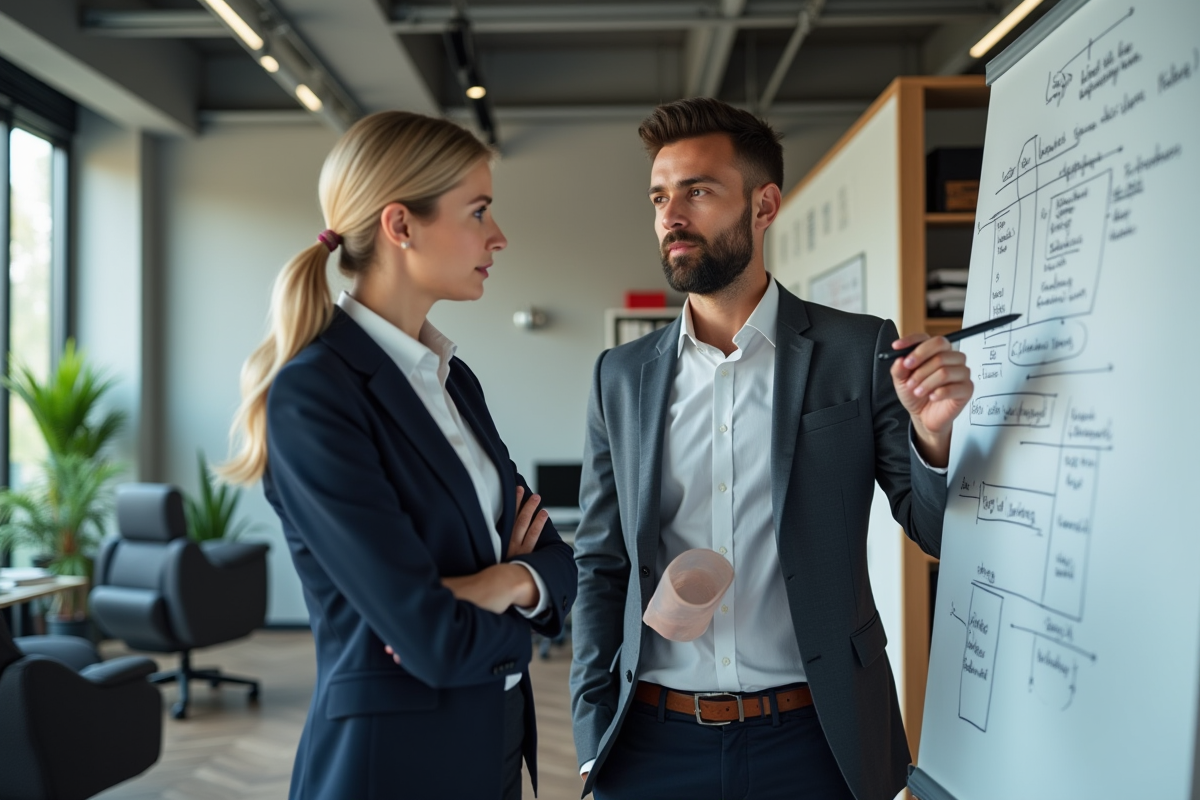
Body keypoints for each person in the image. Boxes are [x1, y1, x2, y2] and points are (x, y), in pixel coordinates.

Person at [569, 97, 973, 800]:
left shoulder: (858, 350)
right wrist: (588, 731)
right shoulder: (621, 377)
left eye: (698, 191)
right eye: (661, 196)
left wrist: (933, 437)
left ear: (764, 205)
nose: (671, 215)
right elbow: (601, 563)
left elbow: (934, 527)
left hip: (819, 740)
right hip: (653, 744)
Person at [220, 110, 577, 800]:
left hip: (495, 736)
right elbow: (430, 637)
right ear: (400, 225)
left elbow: (556, 557)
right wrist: (512, 584)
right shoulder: (314, 394)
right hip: (394, 763)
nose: (498, 237)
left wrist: (504, 583)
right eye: (478, 211)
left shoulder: (452, 380)